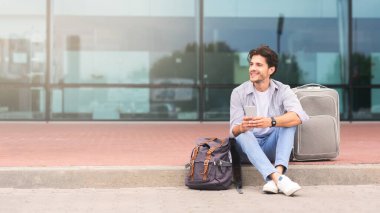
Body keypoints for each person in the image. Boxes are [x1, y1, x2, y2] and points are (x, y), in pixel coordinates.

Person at [229, 45, 309, 196]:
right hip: (247, 149)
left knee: (288, 123)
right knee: (243, 133)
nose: (252, 68)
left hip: (270, 146)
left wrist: (271, 121)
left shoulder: (283, 89)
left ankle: (275, 177)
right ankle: (278, 178)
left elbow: (299, 116)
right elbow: (233, 131)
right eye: (251, 64)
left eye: (259, 65)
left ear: (271, 70)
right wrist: (242, 127)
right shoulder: (238, 93)